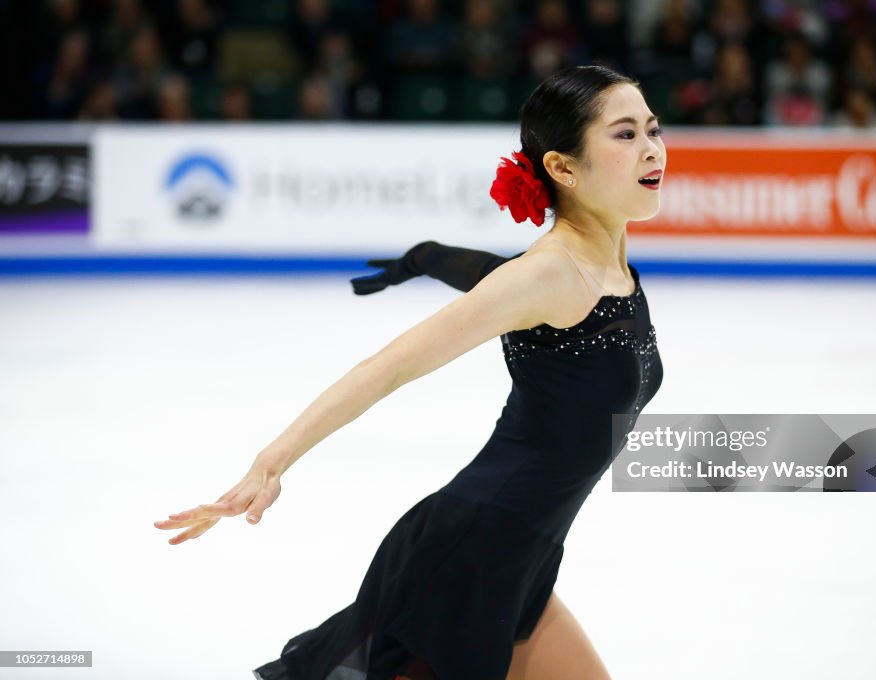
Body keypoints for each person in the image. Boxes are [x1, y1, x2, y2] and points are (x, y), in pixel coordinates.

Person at [153, 64, 666, 680]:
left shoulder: (605, 271)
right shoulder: (547, 275)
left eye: (653, 129)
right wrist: (272, 461)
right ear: (562, 167)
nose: (652, 148)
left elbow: (485, 272)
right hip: (464, 559)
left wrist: (423, 256)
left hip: (521, 561)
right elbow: (389, 367)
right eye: (625, 134)